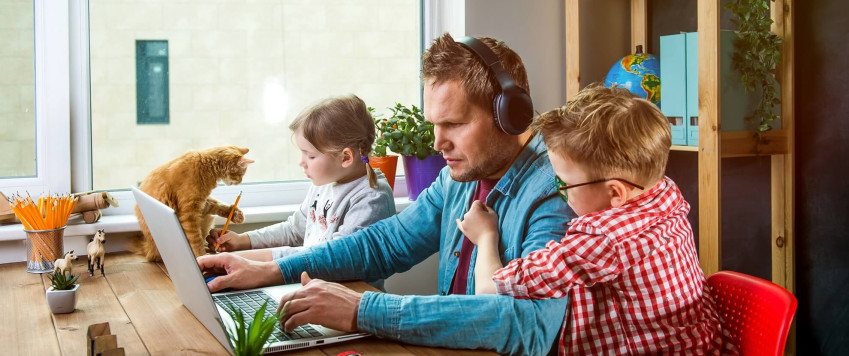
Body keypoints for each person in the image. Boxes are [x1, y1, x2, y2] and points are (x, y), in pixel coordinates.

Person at [197, 33, 575, 355]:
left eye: (454, 124)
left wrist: (363, 310)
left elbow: (530, 323)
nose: (438, 142)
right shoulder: (457, 179)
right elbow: (383, 244)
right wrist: (271, 270)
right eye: (433, 124)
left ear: (510, 113)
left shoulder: (557, 192)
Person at [459, 85, 722, 354]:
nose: (559, 191)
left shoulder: (603, 239)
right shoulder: (663, 192)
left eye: (564, 184)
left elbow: (489, 288)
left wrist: (485, 237)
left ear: (614, 192)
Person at [207, 94, 395, 269]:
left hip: (349, 296)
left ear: (346, 157)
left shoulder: (371, 199)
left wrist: (247, 260)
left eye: (310, 155)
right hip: (311, 286)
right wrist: (244, 240)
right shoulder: (325, 183)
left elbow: (329, 257)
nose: (301, 162)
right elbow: (294, 230)